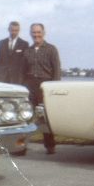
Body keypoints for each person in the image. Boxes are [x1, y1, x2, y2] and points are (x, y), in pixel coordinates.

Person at [24, 23, 61, 154]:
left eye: (38, 32)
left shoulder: (51, 49)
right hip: (29, 86)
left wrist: (54, 88)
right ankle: (21, 146)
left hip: (45, 86)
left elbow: (56, 70)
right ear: (30, 34)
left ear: (44, 33)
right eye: (34, 33)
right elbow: (23, 71)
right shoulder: (27, 51)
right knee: (26, 117)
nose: (36, 35)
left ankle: (50, 146)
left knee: (44, 118)